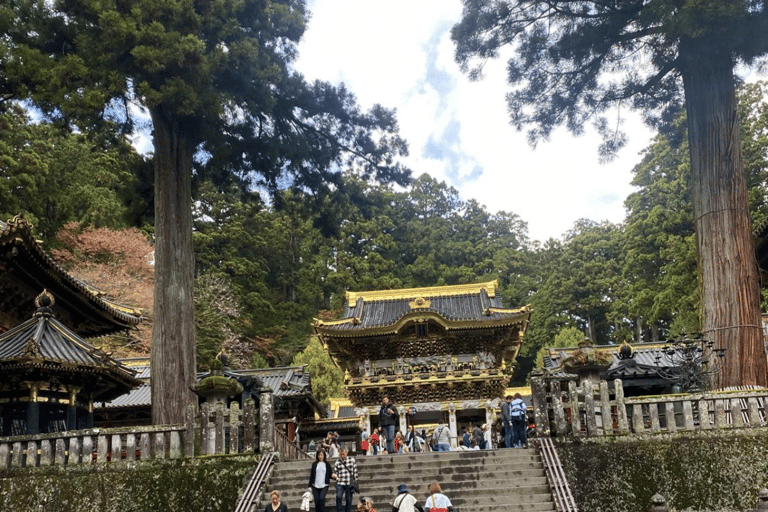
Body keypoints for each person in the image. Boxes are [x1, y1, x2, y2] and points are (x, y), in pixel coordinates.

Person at [334, 448, 359, 512]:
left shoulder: (352, 460)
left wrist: (355, 480)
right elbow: (335, 472)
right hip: (340, 482)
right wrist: (337, 478)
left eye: (343, 454)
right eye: (340, 454)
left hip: (349, 482)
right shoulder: (337, 462)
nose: (342, 456)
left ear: (346, 453)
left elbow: (355, 471)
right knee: (338, 497)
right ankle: (339, 510)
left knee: (348, 499)